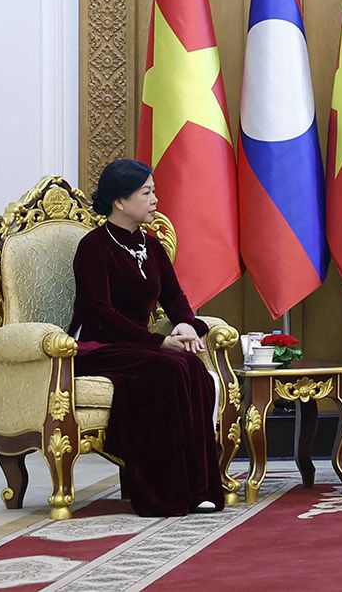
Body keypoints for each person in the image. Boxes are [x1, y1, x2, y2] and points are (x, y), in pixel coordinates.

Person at [69, 159, 224, 517]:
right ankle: (163, 492)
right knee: (168, 369)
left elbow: (174, 297)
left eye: (154, 191)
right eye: (146, 193)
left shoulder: (151, 246)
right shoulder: (93, 247)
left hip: (137, 346)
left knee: (192, 368)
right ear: (120, 202)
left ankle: (199, 488)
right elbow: (100, 312)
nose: (155, 199)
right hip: (99, 346)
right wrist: (158, 342)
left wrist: (186, 325)